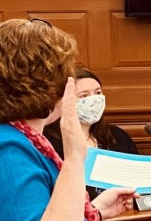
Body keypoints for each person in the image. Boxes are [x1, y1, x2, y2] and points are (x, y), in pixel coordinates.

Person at [0, 18, 138, 221]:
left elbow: (40, 220)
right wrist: (76, 156)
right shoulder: (10, 151)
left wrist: (95, 211)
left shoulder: (28, 143)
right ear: (44, 83)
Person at [45, 68, 139, 199]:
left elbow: (137, 180)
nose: (94, 100)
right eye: (84, 96)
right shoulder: (48, 141)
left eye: (98, 93)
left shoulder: (117, 136)